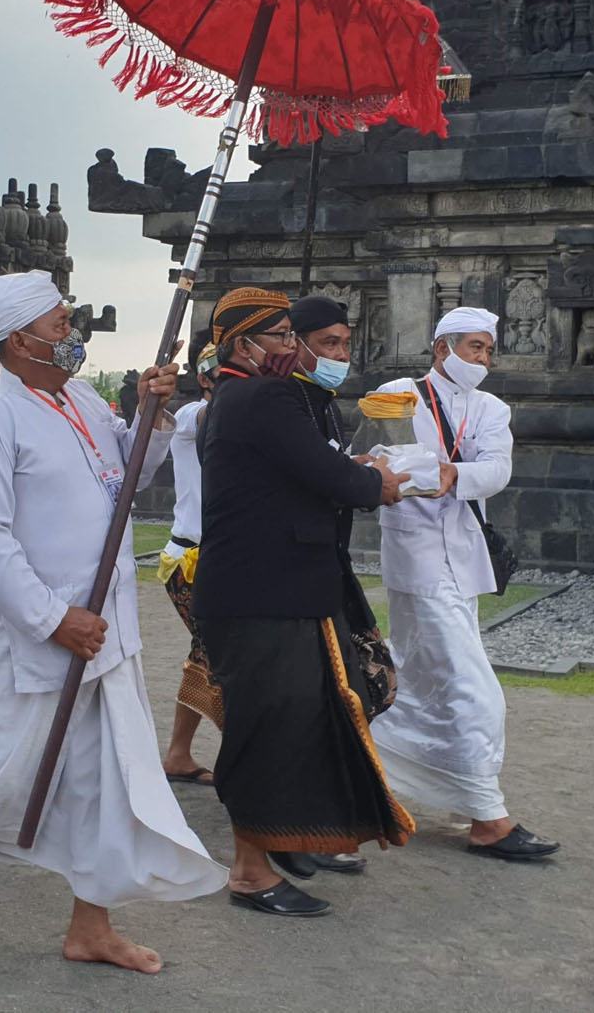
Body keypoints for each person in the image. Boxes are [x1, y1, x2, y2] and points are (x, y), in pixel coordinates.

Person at [0, 269, 224, 973]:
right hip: (30, 634)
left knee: (102, 781)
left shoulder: (80, 398)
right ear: (18, 341)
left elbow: (126, 475)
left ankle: (90, 927)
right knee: (0, 772)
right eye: (58, 325)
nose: (69, 335)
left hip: (105, 626)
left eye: (68, 322)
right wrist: (52, 618)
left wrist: (150, 416)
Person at [194, 286, 413, 919]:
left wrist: (361, 474)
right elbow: (332, 477)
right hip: (263, 593)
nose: (296, 349)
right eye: (284, 337)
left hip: (276, 589)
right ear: (244, 345)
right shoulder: (262, 396)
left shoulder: (246, 396)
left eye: (297, 336)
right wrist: (379, 482)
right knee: (265, 729)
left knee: (294, 721)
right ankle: (249, 871)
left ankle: (286, 841)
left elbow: (311, 469)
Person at [370, 307, 558, 863]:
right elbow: (384, 461)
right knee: (475, 688)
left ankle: (364, 756)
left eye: (488, 350)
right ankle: (487, 816)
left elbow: (497, 469)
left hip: (464, 560)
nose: (482, 359)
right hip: (416, 557)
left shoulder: (491, 408)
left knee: (423, 673)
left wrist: (455, 474)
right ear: (441, 348)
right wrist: (438, 472)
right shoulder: (397, 392)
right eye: (473, 347)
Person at [271, 293, 370, 881]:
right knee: (297, 706)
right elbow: (325, 476)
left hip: (322, 571)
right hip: (280, 579)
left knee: (346, 695)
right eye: (327, 344)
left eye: (345, 344)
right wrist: (366, 479)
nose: (340, 355)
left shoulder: (322, 402)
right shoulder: (275, 403)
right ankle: (278, 837)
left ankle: (314, 824)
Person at [155, 337, 220, 787]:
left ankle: (178, 753)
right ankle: (253, 760)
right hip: (193, 560)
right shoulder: (192, 417)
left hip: (222, 558)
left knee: (207, 653)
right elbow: (213, 415)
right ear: (203, 379)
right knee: (226, 656)